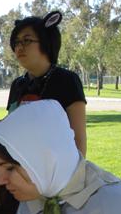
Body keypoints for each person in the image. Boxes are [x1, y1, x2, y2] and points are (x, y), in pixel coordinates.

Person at [7, 11, 87, 155]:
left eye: (27, 40)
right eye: (16, 42)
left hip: (57, 166)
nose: (19, 47)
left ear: (46, 43)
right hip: (18, 165)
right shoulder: (17, 85)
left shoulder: (67, 80)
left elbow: (79, 140)